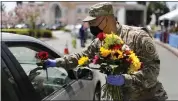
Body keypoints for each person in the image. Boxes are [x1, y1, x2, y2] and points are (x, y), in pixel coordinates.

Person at [44, 2, 168, 101]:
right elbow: (82, 56)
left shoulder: (138, 36)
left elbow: (153, 71)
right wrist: (56, 62)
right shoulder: (100, 41)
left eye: (94, 21)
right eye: (90, 22)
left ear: (107, 18)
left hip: (148, 97)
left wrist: (126, 79)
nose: (91, 25)